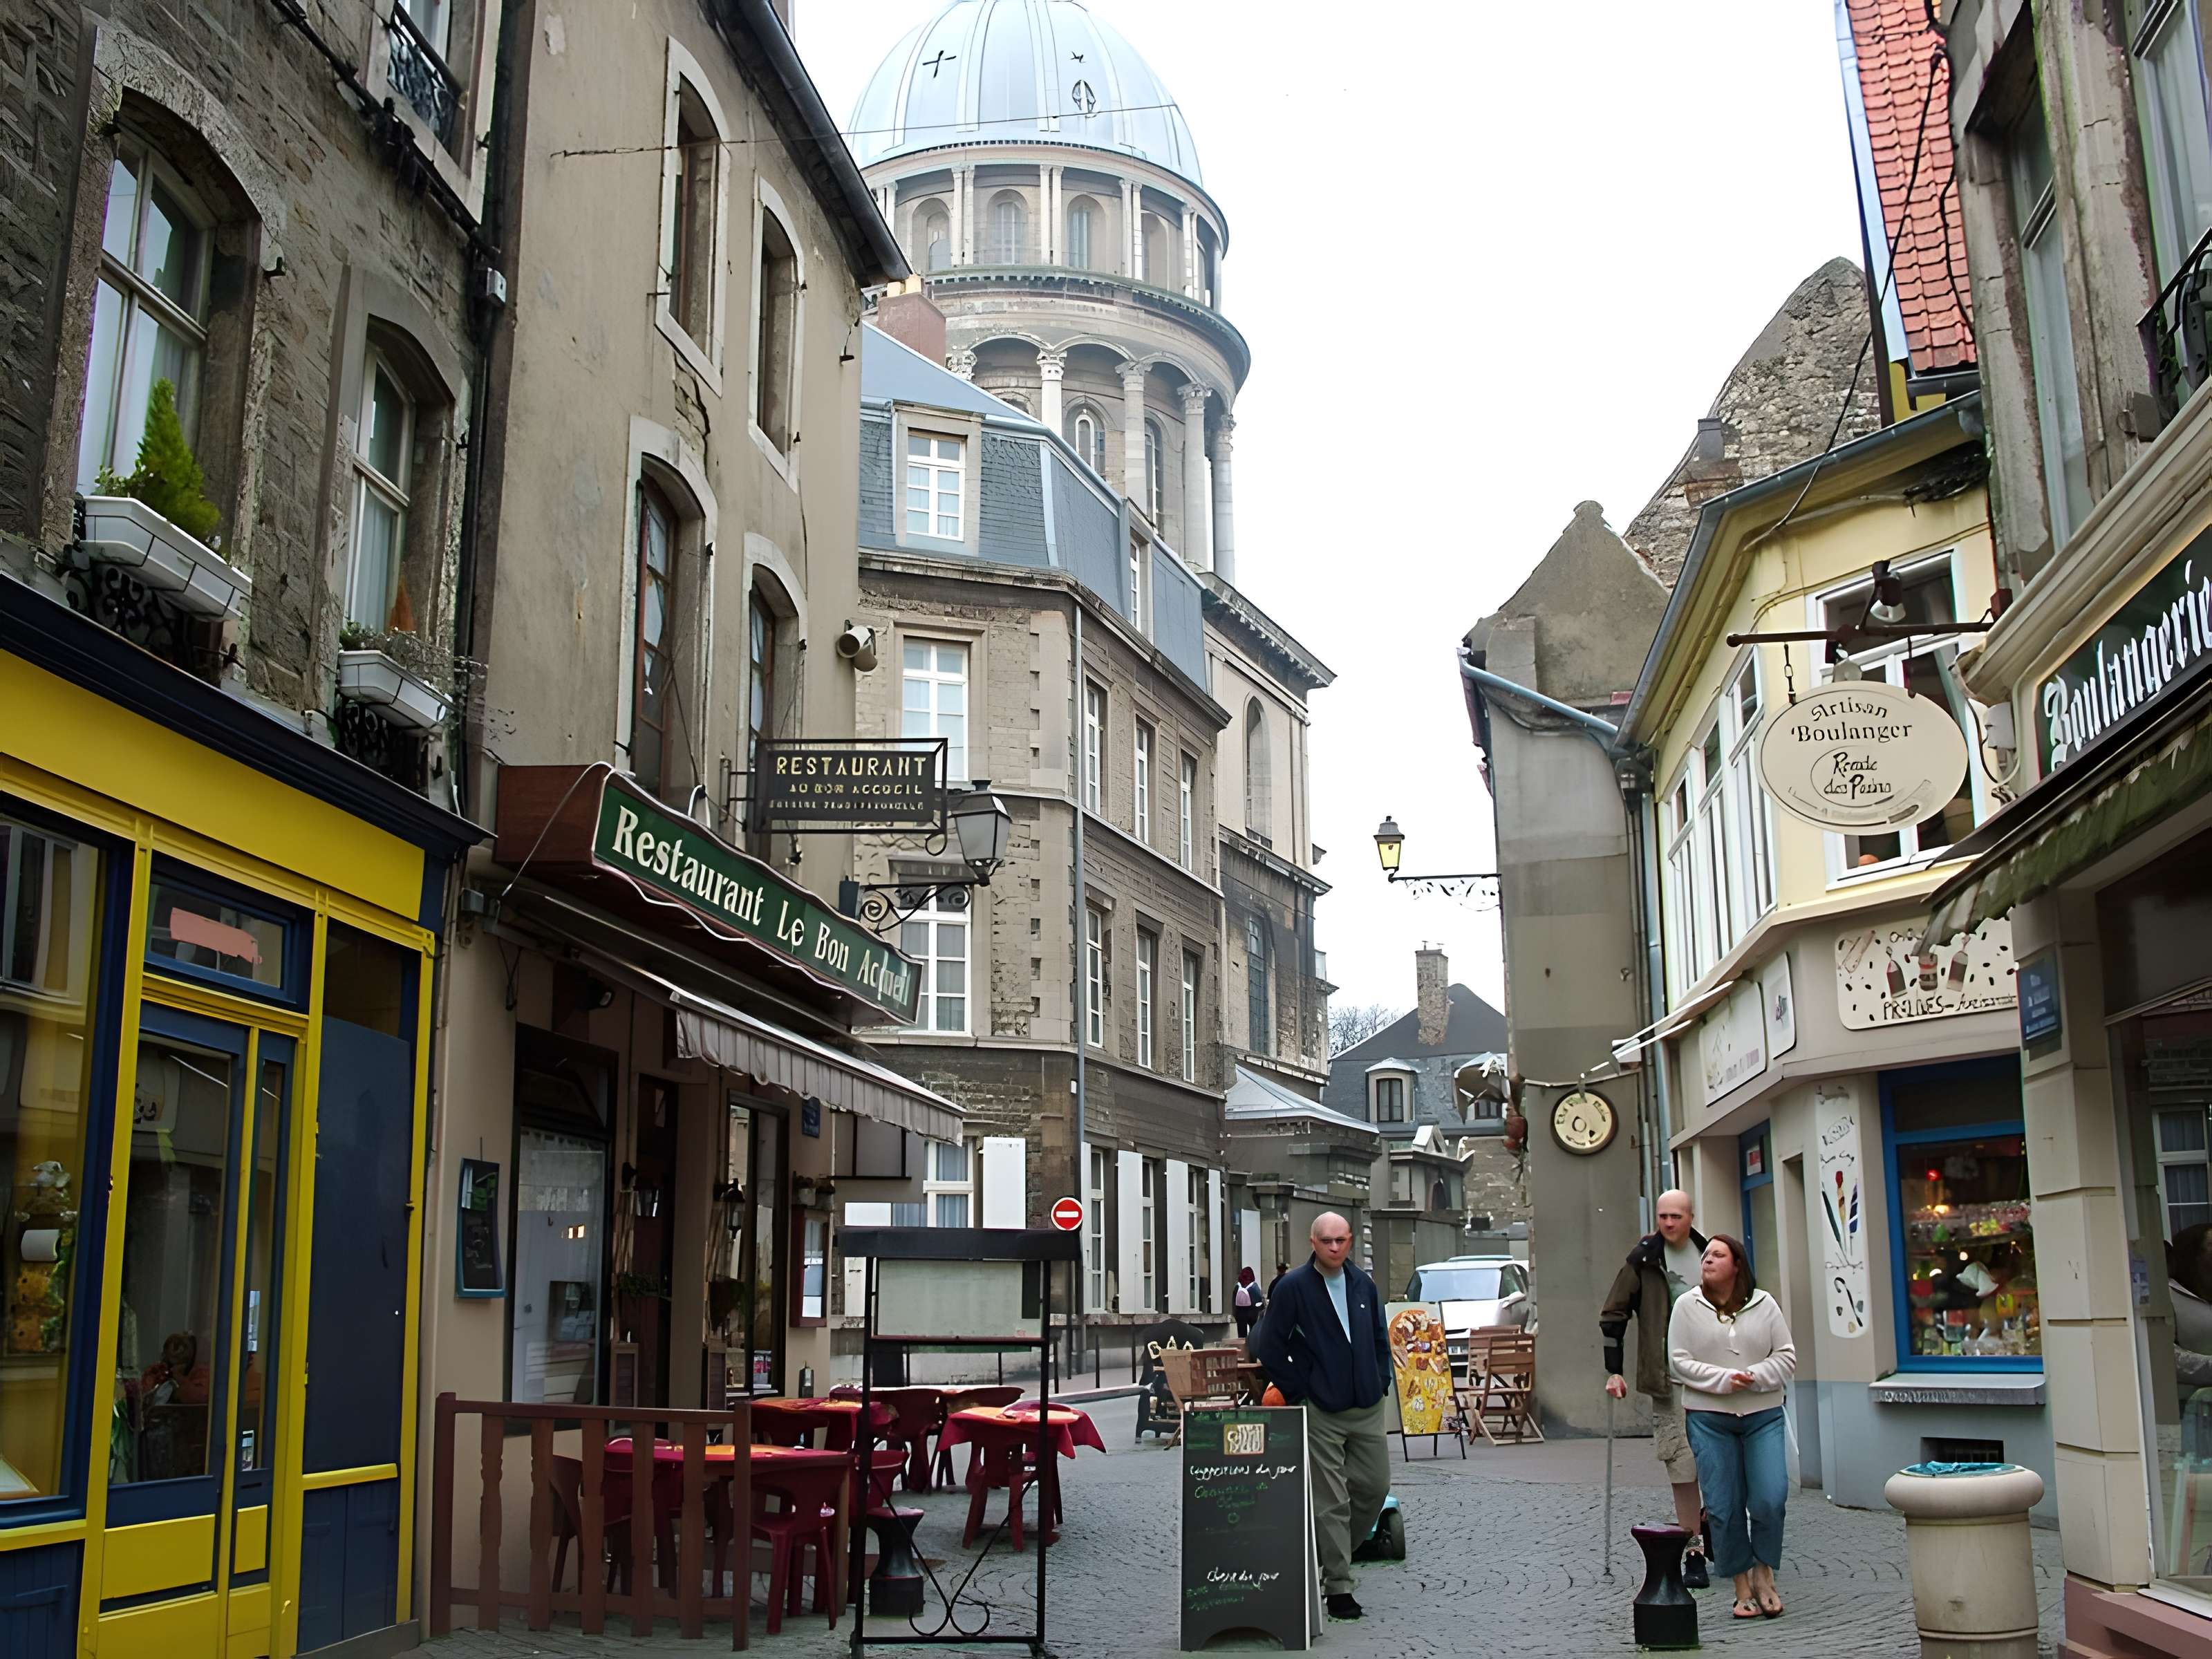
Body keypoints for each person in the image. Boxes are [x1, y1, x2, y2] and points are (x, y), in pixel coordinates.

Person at [1251, 1213, 1390, 1623]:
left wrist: (1381, 1380)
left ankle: (1329, 1556)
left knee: (1375, 1487)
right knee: (1331, 1500)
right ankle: (1339, 1589)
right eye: (1326, 1241)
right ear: (1312, 1242)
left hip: (1367, 1405)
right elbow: (1270, 1345)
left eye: (1341, 1240)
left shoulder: (1364, 1284)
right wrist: (1300, 1390)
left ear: (1350, 1241)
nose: (1334, 1248)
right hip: (1322, 1408)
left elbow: (1380, 1338)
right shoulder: (1293, 1287)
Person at [1669, 1233, 1796, 1622]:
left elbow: (1787, 1358)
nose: (1708, 1259)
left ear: (1737, 1264)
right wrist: (1724, 1379)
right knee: (1723, 1506)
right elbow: (1679, 1361)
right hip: (1709, 1419)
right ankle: (1741, 1584)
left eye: (1718, 1254)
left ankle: (1764, 1571)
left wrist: (1754, 1375)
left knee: (1770, 1498)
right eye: (1705, 1254)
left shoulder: (1765, 1303)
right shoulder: (1686, 1306)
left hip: (1763, 1415)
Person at [1600, 1188, 1712, 1586]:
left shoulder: (1711, 1255)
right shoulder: (1644, 1259)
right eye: (1663, 1216)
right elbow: (1613, 1313)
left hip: (1715, 1379)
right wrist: (1614, 1371)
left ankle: (1714, 1527)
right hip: (1668, 1382)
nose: (1668, 1223)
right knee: (1682, 1467)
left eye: (1676, 1216)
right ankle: (1694, 1551)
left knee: (1717, 1466)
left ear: (1691, 1217)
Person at [1232, 1266, 1264, 1338]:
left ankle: (1242, 1348)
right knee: (1254, 1332)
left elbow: (1234, 1302)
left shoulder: (1237, 1287)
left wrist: (1235, 1313)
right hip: (1253, 1313)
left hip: (1240, 1313)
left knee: (1242, 1335)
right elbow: (1259, 1301)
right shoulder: (1254, 1287)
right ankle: (1252, 1346)